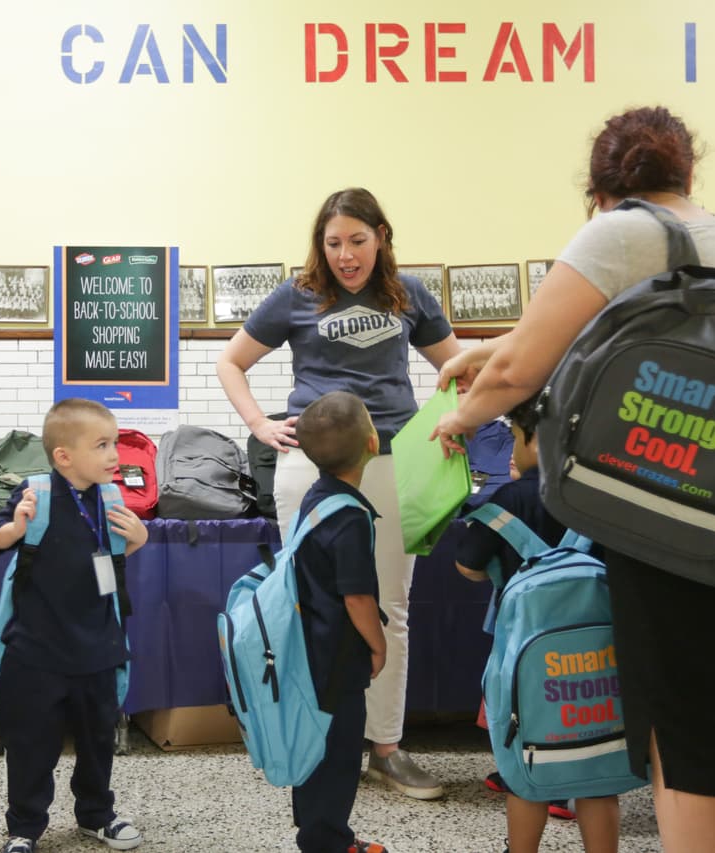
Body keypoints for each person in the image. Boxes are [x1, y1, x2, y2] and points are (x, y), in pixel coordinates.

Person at [431, 106, 715, 853]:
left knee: (689, 737)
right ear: (689, 171)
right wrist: (490, 352)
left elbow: (523, 367)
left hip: (690, 501)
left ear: (599, 191)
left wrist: (457, 420)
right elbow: (576, 335)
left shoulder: (618, 230)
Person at [216, 187, 461, 799]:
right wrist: (259, 424)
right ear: (319, 245)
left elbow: (456, 367)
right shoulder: (297, 295)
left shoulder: (409, 294)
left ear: (381, 237)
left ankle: (386, 749)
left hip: (392, 460)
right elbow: (231, 362)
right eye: (333, 243)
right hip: (311, 465)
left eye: (357, 240)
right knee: (309, 604)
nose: (345, 255)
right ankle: (319, 739)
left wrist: (454, 421)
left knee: (390, 607)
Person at [453, 396, 619, 853]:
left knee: (525, 768)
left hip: (526, 658)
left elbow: (467, 565)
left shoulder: (508, 500)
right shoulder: (599, 496)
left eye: (515, 437)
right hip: (597, 661)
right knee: (598, 772)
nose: (510, 448)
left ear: (537, 440)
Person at [0, 398, 150, 853]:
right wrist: (16, 527)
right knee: (30, 746)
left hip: (97, 647)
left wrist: (139, 540)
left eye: (114, 443)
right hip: (35, 651)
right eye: (102, 445)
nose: (115, 455)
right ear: (64, 456)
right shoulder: (35, 492)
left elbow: (109, 559)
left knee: (98, 742)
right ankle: (24, 826)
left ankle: (96, 814)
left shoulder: (110, 498)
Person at [288, 391, 390, 853]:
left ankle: (318, 833)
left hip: (308, 646)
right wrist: (379, 645)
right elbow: (358, 596)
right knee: (339, 752)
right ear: (372, 443)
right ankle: (329, 841)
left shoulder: (316, 499)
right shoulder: (350, 515)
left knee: (316, 746)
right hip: (338, 656)